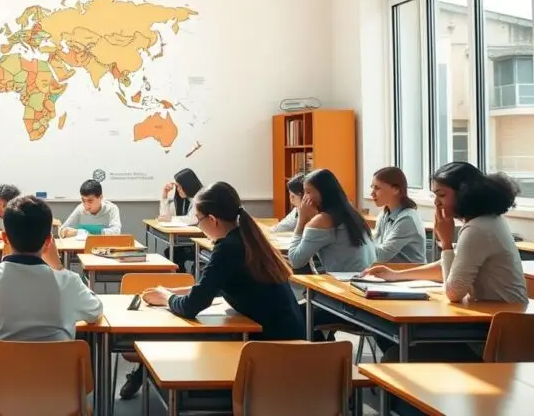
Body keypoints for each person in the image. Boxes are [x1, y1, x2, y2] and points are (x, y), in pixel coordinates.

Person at [126, 182, 304, 399]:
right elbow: (221, 286)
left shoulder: (227, 249)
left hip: (267, 353)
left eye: (198, 220)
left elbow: (192, 307)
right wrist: (175, 291)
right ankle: (143, 374)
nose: (198, 226)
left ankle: (149, 376)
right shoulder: (246, 239)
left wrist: (167, 298)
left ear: (212, 220)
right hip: (290, 343)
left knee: (180, 341)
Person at [363, 162, 527, 361]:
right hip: (500, 327)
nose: (436, 204)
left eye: (441, 195)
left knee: (394, 357)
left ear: (465, 193)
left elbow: (454, 292)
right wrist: (396, 275)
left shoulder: (476, 229)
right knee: (396, 346)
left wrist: (446, 243)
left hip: (492, 337)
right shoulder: (487, 220)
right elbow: (454, 268)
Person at [0, 195, 103, 341]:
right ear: (48, 242)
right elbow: (95, 311)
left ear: (5, 239)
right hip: (55, 364)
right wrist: (58, 266)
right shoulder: (68, 281)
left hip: (4, 364)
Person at [287, 168, 375, 273]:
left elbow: (295, 261)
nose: (305, 197)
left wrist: (302, 220)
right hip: (364, 279)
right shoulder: (351, 213)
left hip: (343, 284)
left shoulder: (323, 220)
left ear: (324, 192)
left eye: (308, 192)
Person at [370, 166, 426, 264]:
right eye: (372, 188)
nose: (372, 193)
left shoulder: (407, 219)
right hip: (391, 273)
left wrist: (356, 243)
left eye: (377, 188)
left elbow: (381, 256)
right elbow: (374, 244)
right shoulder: (384, 214)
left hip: (410, 277)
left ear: (396, 189)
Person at [157, 168, 204, 272]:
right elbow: (165, 217)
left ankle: (184, 279)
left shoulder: (201, 198)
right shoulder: (182, 200)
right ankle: (182, 278)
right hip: (188, 241)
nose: (177, 190)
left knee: (173, 252)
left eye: (179, 187)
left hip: (201, 242)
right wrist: (164, 195)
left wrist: (170, 220)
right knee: (171, 252)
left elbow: (192, 219)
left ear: (188, 185)